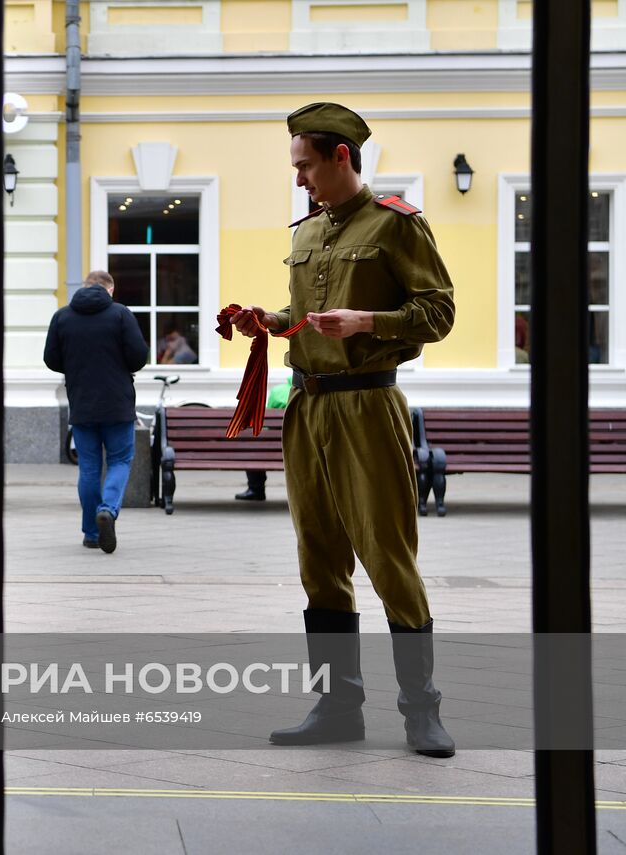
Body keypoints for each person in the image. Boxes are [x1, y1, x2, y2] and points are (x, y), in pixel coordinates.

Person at [232, 103, 456, 757]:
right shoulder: (305, 233)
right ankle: (337, 706)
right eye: (295, 167)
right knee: (319, 559)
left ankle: (422, 711)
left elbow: (437, 312)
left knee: (388, 556)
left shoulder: (397, 223)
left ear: (340, 157)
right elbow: (306, 316)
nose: (299, 179)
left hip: (367, 407)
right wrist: (268, 321)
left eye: (306, 166)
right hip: (308, 408)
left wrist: (367, 323)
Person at [43, 269, 148, 554]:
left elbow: (50, 359)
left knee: (88, 467)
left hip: (82, 403)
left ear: (85, 286)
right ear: (109, 290)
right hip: (117, 403)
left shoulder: (62, 316)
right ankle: (108, 510)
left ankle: (91, 532)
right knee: (120, 460)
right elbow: (139, 357)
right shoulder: (121, 314)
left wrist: (77, 365)